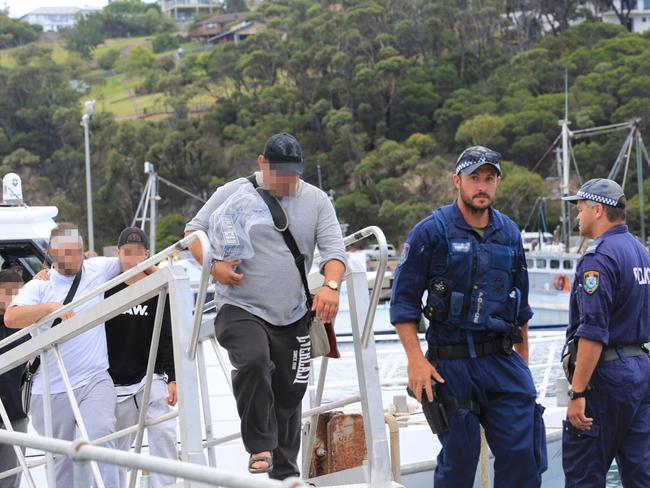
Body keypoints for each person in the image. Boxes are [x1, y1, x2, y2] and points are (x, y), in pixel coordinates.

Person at [184, 132, 346, 480]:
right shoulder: (231, 193)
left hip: (291, 313)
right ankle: (259, 445)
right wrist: (214, 266)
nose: (286, 182)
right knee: (255, 362)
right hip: (240, 307)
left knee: (289, 395)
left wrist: (331, 286)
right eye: (279, 173)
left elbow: (335, 253)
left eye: (293, 174)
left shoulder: (316, 201)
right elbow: (193, 232)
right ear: (262, 163)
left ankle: (285, 476)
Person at [390, 146, 547, 487]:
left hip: (501, 359)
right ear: (456, 181)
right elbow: (403, 304)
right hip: (451, 364)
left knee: (524, 457)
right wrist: (415, 361)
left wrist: (523, 361)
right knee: (460, 459)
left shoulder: (509, 234)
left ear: (498, 183)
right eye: (474, 178)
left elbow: (520, 306)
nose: (482, 186)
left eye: (489, 179)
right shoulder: (429, 232)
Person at [4, 223, 122, 488]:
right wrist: (50, 308)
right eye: (67, 253)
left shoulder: (96, 268)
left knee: (102, 436)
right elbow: (12, 316)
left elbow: (131, 260)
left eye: (78, 251)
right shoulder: (40, 286)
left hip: (94, 378)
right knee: (61, 462)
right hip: (52, 387)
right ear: (52, 255)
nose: (75, 258)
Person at [561, 179, 650, 487]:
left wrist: (578, 391)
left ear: (597, 210)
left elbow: (594, 332)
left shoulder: (598, 258)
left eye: (580, 207)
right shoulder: (640, 253)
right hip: (641, 371)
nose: (577, 215)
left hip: (607, 378)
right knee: (641, 474)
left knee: (584, 472)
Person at [105, 227, 177, 488]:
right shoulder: (106, 289)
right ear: (118, 253)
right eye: (127, 253)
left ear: (148, 254)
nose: (132, 258)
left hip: (151, 376)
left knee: (165, 431)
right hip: (114, 383)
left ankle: (164, 486)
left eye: (139, 253)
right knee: (117, 450)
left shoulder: (159, 290)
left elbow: (168, 335)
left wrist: (173, 378)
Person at [0, 270, 28, 488]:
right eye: (7, 292)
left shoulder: (25, 322)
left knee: (12, 476)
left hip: (16, 411)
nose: (12, 297)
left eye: (17, 292)